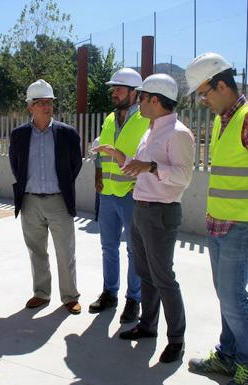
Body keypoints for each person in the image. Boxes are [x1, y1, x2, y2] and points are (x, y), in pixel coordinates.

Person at [185, 53, 248, 385]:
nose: (202, 99)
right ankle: (227, 356)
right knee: (225, 294)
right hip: (220, 223)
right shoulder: (222, 120)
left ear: (222, 84)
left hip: (242, 226)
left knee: (233, 296)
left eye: (204, 92)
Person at [97, 74, 194, 363]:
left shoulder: (177, 133)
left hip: (161, 211)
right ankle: (148, 326)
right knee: (147, 274)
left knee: (164, 278)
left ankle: (176, 339)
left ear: (155, 99)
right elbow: (138, 167)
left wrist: (151, 166)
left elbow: (183, 177)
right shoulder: (150, 131)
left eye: (142, 96)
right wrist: (117, 154)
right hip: (141, 207)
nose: (139, 101)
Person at [9, 79, 83, 315]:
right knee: (36, 250)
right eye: (40, 102)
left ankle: (70, 296)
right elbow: (16, 166)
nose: (47, 107)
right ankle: (41, 293)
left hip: (58, 201)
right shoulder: (19, 135)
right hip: (30, 201)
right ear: (30, 107)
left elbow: (75, 166)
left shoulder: (67, 134)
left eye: (49, 102)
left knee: (65, 251)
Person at [89, 68, 149, 323]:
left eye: (119, 89)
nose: (114, 93)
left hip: (131, 195)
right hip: (108, 194)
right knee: (108, 247)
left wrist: (143, 184)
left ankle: (133, 299)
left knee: (134, 250)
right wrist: (99, 172)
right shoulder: (110, 119)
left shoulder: (145, 119)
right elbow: (101, 147)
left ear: (133, 93)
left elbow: (152, 157)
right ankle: (109, 293)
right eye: (113, 89)